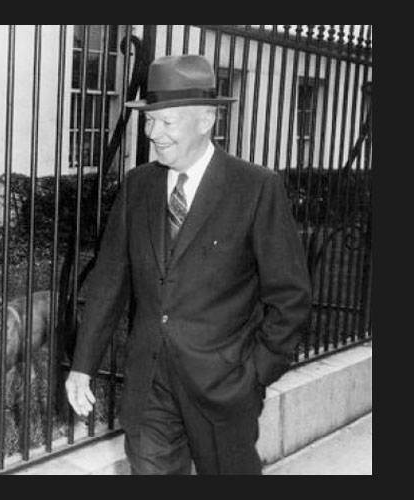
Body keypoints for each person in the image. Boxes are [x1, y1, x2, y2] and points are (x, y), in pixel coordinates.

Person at [64, 55, 312, 475]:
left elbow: (290, 297)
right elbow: (109, 281)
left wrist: (254, 376)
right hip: (150, 386)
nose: (152, 134)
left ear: (206, 119)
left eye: (166, 121)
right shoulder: (138, 186)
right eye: (149, 121)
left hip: (224, 388)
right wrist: (82, 366)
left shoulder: (254, 187)